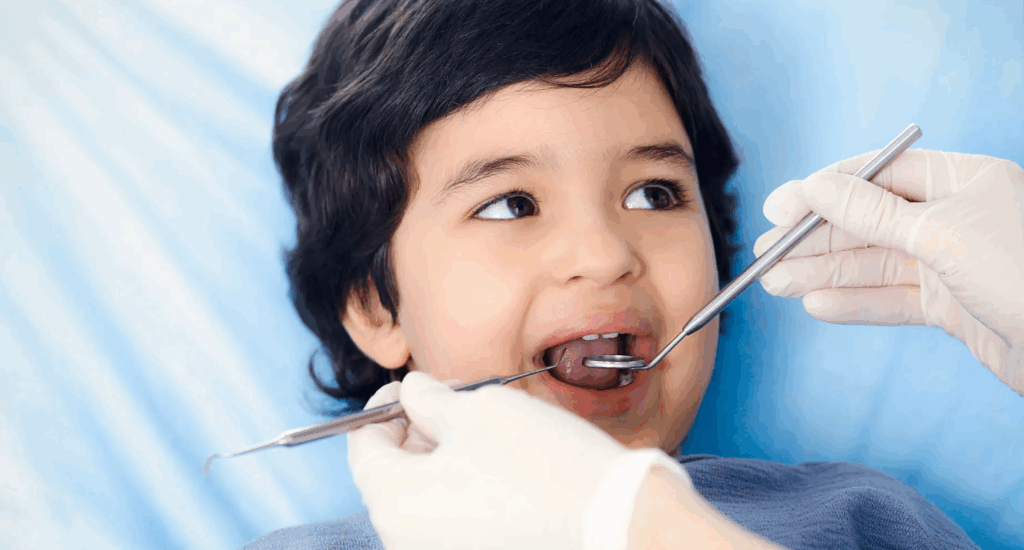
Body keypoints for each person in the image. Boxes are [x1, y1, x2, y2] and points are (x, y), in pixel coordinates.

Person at [245, 0, 1023, 548]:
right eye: (512, 205)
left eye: (654, 194)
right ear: (374, 304)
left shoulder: (869, 522)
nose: (605, 253)